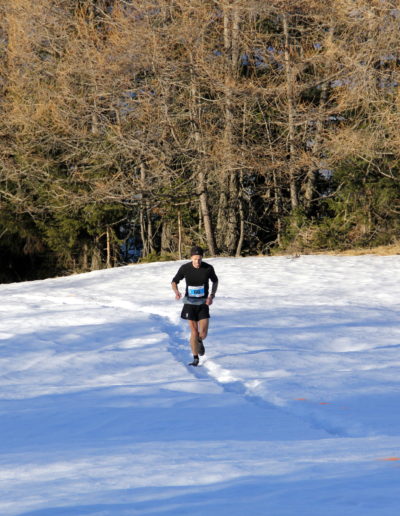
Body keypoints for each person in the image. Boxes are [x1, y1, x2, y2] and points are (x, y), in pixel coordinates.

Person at [171, 245, 218, 366]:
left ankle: (199, 341)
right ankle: (195, 358)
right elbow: (174, 281)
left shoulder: (208, 268)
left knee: (203, 333)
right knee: (194, 332)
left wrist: (211, 296)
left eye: (200, 259)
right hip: (189, 303)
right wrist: (176, 292)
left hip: (203, 303)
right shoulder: (185, 268)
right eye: (195, 259)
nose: (197, 262)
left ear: (202, 258)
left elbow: (215, 281)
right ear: (191, 258)